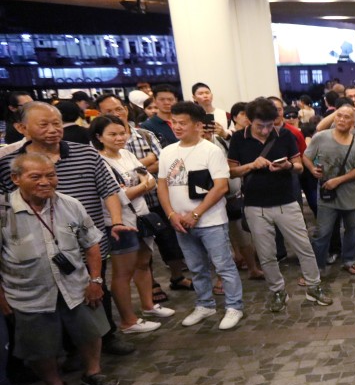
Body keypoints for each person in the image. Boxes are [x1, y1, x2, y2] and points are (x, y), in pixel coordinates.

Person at [0, 102, 136, 356]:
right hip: (37, 249)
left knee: (96, 290)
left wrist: (117, 221)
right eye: (44, 124)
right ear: (21, 127)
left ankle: (105, 338)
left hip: (89, 242)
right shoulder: (12, 163)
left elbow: (109, 190)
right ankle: (67, 350)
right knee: (51, 300)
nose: (53, 130)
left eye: (57, 123)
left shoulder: (85, 153)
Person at [0, 153, 120, 385]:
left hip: (76, 286)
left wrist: (96, 280)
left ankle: (93, 372)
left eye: (51, 175)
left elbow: (91, 246)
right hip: (27, 293)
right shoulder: (4, 212)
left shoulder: (70, 204)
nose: (46, 182)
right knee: (38, 345)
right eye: (36, 176)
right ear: (15, 179)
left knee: (90, 331)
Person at [228, 98, 331, 311]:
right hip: (255, 204)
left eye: (269, 125)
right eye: (260, 126)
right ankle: (277, 291)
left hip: (286, 201)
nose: (266, 131)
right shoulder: (239, 138)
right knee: (266, 254)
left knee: (304, 247)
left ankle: (314, 287)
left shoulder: (284, 134)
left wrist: (287, 166)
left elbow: (299, 166)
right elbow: (231, 170)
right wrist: (250, 165)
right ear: (249, 121)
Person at [157, 101, 243, 331]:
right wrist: (171, 215)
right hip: (180, 222)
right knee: (196, 267)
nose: (177, 127)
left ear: (197, 125)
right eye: (173, 122)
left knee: (223, 265)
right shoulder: (167, 152)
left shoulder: (211, 150)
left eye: (182, 123)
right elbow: (162, 186)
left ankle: (234, 306)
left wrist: (195, 214)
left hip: (211, 220)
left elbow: (221, 187)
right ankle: (204, 304)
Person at [90, 116, 167, 333]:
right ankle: (128, 321)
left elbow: (149, 180)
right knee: (122, 272)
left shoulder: (128, 153)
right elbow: (118, 195)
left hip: (141, 215)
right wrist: (142, 186)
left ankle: (148, 305)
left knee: (143, 263)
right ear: (99, 137)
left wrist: (140, 186)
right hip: (118, 222)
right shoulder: (99, 161)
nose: (119, 138)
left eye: (122, 133)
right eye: (112, 134)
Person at [304, 104, 355, 275]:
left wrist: (337, 180)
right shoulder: (321, 137)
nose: (342, 119)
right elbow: (306, 156)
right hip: (327, 195)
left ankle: (349, 260)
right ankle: (317, 267)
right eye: (339, 115)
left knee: (352, 230)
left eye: (347, 117)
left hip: (352, 195)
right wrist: (311, 169)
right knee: (322, 232)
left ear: (353, 123)